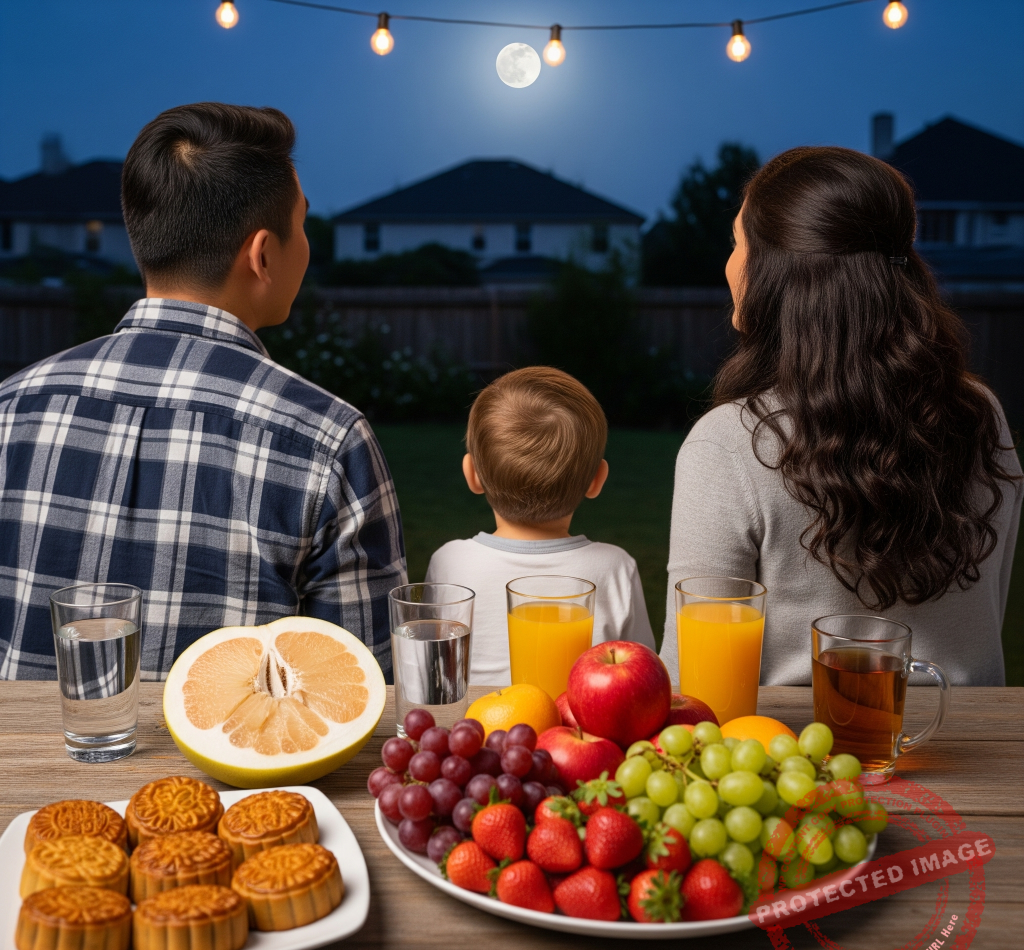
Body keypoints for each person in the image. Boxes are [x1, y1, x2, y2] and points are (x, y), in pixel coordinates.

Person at [0, 103, 406, 681]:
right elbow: (361, 694)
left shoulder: (11, 408)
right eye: (306, 223)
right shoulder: (329, 441)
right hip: (234, 777)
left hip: (22, 774)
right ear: (263, 254)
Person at [661, 146, 1022, 688]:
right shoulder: (981, 414)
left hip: (797, 761)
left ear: (776, 273)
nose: (729, 263)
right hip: (974, 750)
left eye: (737, 243)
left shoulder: (728, 444)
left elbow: (692, 678)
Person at [426, 366, 655, 689]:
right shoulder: (616, 567)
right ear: (596, 480)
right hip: (582, 730)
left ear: (472, 474)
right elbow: (642, 675)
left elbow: (433, 674)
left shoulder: (449, 561)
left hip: (477, 732)